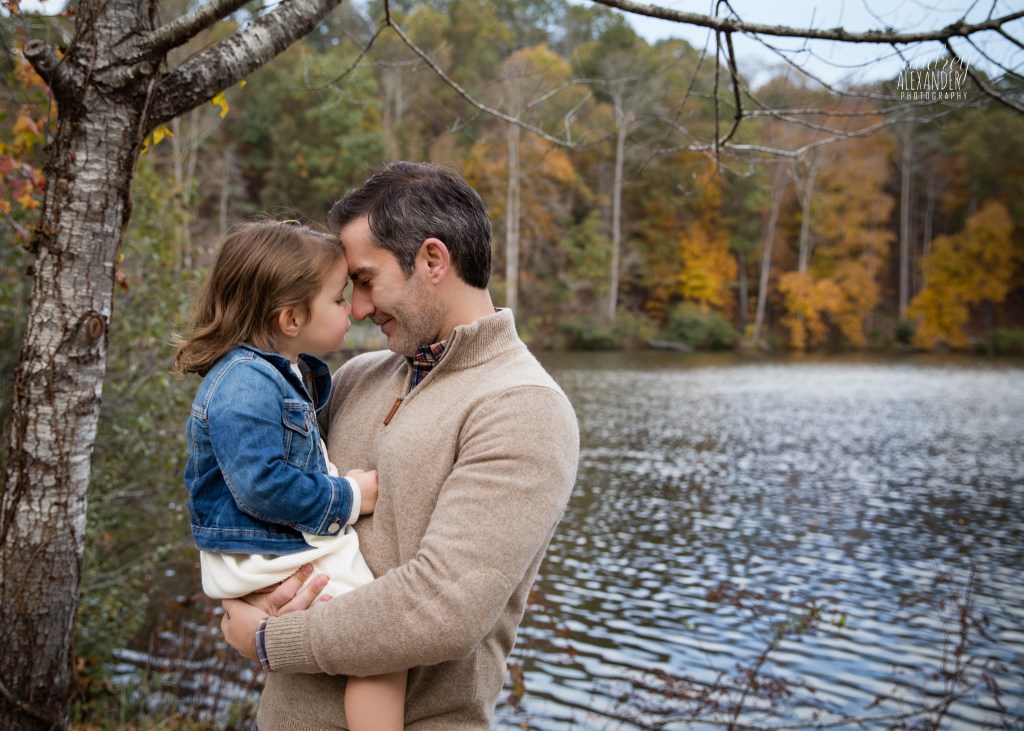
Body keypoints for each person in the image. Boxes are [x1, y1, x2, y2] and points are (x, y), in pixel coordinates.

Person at [220, 162, 581, 729]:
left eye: (366, 280)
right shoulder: (355, 377)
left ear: (433, 260)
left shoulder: (523, 407)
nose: (360, 308)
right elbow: (252, 498)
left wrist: (269, 640)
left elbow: (442, 608)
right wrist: (243, 595)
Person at [174, 221, 407, 731]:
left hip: (275, 549)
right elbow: (261, 484)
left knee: (377, 642)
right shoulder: (244, 382)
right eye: (338, 299)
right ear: (291, 317)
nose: (353, 309)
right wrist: (349, 496)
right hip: (270, 553)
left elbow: (287, 457)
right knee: (382, 642)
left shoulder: (280, 372)